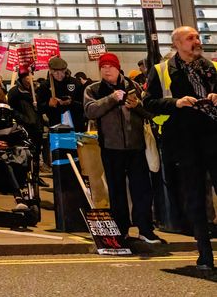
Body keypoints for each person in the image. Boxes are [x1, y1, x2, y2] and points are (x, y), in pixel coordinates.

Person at [144, 26, 217, 269]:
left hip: (213, 137)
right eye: (190, 38)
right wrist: (176, 102)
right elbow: (149, 103)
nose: (196, 41)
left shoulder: (211, 67)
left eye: (197, 37)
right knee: (195, 197)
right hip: (185, 142)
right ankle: (204, 252)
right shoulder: (162, 70)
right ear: (176, 44)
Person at [83, 53, 162, 244]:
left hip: (136, 147)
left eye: (110, 66)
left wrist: (137, 105)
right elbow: (90, 111)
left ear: (118, 68)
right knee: (116, 190)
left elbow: (150, 112)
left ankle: (145, 228)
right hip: (111, 147)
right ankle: (121, 229)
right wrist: (111, 98)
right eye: (103, 67)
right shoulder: (93, 89)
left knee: (142, 189)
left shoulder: (133, 86)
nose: (106, 70)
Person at [7, 65, 50, 157]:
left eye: (32, 74)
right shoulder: (14, 92)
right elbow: (11, 110)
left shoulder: (38, 90)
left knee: (37, 153)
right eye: (28, 75)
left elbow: (43, 107)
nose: (31, 77)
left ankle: (36, 169)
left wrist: (39, 106)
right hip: (23, 129)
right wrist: (24, 119)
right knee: (25, 154)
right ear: (22, 77)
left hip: (37, 127)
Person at [43, 56, 85, 131]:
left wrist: (71, 102)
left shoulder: (75, 83)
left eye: (62, 72)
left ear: (65, 69)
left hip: (76, 124)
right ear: (50, 71)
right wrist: (49, 104)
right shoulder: (45, 85)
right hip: (56, 125)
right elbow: (39, 108)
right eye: (55, 72)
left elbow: (84, 105)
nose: (59, 75)